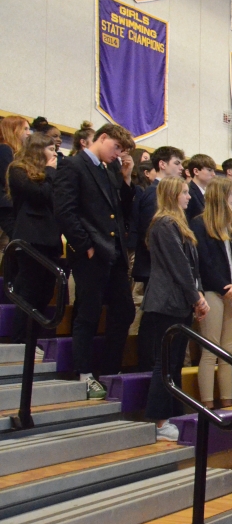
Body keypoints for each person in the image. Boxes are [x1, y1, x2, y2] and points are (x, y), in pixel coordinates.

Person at [54, 123, 136, 398]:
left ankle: (110, 371)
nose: (118, 155)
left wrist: (125, 179)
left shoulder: (110, 168)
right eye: (116, 148)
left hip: (114, 251)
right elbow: (66, 211)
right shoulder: (74, 165)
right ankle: (84, 373)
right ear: (102, 138)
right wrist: (84, 245)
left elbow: (121, 211)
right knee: (87, 314)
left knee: (124, 310)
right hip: (92, 251)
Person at [141, 177, 209, 441]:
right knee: (165, 362)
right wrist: (196, 298)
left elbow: (192, 266)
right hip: (165, 301)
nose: (189, 196)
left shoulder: (178, 224)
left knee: (175, 362)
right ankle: (159, 421)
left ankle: (172, 412)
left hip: (178, 301)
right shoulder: (164, 224)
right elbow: (178, 266)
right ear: (172, 195)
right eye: (183, 192)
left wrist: (196, 295)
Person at [190, 177, 232, 410]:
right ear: (220, 196)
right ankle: (207, 404)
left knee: (228, 350)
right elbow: (202, 263)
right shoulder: (199, 224)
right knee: (210, 349)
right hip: (213, 292)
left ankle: (227, 403)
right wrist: (229, 290)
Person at [7, 133, 62, 344]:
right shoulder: (18, 170)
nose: (55, 153)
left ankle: (32, 338)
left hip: (50, 238)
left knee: (46, 291)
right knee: (29, 290)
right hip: (30, 239)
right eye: (50, 149)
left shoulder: (53, 175)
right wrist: (50, 171)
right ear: (38, 150)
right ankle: (21, 340)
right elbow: (39, 195)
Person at [131, 146, 185, 287]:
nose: (182, 168)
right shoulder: (154, 193)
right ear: (162, 164)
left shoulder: (165, 192)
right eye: (177, 163)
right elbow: (149, 232)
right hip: (155, 266)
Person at [0, 115, 30, 236]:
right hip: (6, 206)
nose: (29, 133)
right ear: (14, 130)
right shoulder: (5, 149)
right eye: (25, 129)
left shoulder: (15, 152)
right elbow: (7, 178)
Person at [185, 154, 216, 221]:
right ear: (196, 171)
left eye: (214, 171)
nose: (213, 174)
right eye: (209, 170)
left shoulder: (207, 193)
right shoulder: (189, 192)